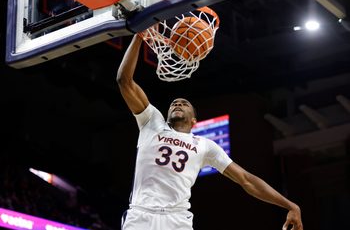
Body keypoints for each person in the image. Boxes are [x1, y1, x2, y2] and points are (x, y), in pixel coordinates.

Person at [116, 34, 303, 230]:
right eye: (174, 103)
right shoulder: (151, 121)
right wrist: (139, 36)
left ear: (194, 120)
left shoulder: (205, 145)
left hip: (177, 219)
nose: (178, 104)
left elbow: (246, 180)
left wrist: (290, 205)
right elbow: (124, 80)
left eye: (184, 103)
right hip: (141, 214)